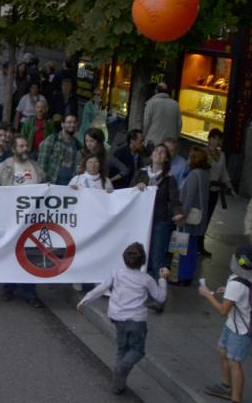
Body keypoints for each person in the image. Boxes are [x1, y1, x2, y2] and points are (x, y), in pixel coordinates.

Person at [77, 243, 169, 395]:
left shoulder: (116, 273)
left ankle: (118, 385)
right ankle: (121, 369)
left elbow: (101, 288)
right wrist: (163, 279)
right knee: (137, 351)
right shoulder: (146, 279)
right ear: (143, 261)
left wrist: (85, 300)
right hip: (136, 321)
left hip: (117, 318)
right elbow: (160, 297)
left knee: (122, 349)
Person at [0, 135, 47, 307]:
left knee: (31, 255)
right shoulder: (5, 167)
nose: (25, 149)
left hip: (32, 221)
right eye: (21, 146)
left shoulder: (35, 167)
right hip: (11, 220)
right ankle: (9, 287)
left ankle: (30, 292)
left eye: (26, 146)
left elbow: (48, 186)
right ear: (14, 149)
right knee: (11, 254)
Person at [199, 245, 252, 403]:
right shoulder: (245, 277)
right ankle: (226, 386)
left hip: (240, 330)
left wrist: (208, 294)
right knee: (223, 351)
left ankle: (236, 398)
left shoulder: (237, 284)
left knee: (235, 362)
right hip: (234, 325)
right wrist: (227, 291)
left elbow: (223, 310)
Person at [134, 144, 184, 289]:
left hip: (160, 222)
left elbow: (175, 200)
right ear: (151, 155)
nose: (158, 153)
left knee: (157, 260)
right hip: (141, 221)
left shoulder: (169, 179)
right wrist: (137, 187)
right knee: (141, 257)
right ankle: (141, 290)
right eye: (156, 151)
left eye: (163, 153)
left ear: (166, 159)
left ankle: (158, 296)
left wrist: (178, 213)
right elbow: (129, 191)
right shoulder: (141, 173)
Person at [178, 147, 212, 286]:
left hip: (188, 219)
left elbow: (189, 198)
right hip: (199, 218)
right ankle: (187, 275)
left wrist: (181, 216)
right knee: (192, 248)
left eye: (190, 157)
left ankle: (181, 276)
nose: (187, 159)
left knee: (182, 248)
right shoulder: (205, 174)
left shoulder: (193, 174)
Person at [206, 128, 236, 258]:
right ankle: (191, 242)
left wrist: (231, 189)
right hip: (203, 189)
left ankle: (200, 243)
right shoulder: (202, 152)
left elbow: (224, 173)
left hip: (215, 191)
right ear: (210, 139)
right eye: (215, 138)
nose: (217, 141)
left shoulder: (221, 155)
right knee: (197, 217)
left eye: (219, 139)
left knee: (207, 217)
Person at [37, 114, 82, 185]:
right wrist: (43, 182)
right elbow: (41, 163)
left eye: (74, 122)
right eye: (69, 122)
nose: (72, 125)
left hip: (70, 184)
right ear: (62, 124)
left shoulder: (77, 144)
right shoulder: (52, 139)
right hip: (52, 183)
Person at [143, 82, 181, 147]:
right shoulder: (175, 104)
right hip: (169, 144)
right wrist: (174, 138)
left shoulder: (151, 103)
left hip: (153, 142)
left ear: (156, 91)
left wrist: (143, 138)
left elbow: (146, 123)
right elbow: (179, 124)